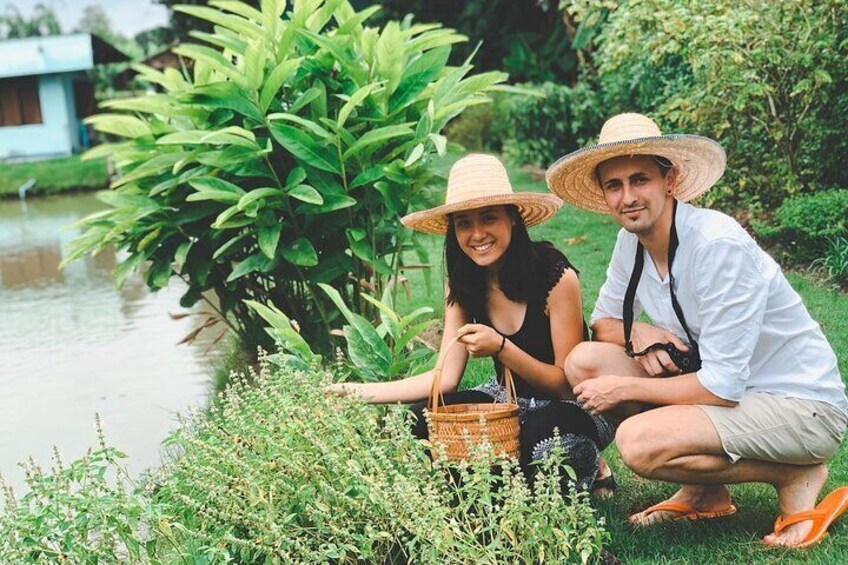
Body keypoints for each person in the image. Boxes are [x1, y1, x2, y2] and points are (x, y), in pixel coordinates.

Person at [545, 113, 848, 548]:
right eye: (614, 185)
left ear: (670, 181)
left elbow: (722, 386)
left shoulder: (717, 246)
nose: (628, 197)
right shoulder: (629, 243)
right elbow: (603, 324)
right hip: (728, 391)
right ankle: (705, 491)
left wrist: (622, 389)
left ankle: (794, 471)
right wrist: (640, 335)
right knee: (584, 361)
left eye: (639, 179)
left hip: (799, 405)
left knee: (637, 444)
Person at [331, 153, 615, 493]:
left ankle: (592, 463)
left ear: (512, 218)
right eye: (464, 223)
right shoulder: (464, 281)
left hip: (573, 407)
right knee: (420, 422)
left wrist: (501, 348)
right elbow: (445, 378)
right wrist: (358, 392)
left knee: (540, 443)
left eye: (488, 218)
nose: (477, 233)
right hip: (507, 402)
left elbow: (566, 385)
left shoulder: (556, 277)